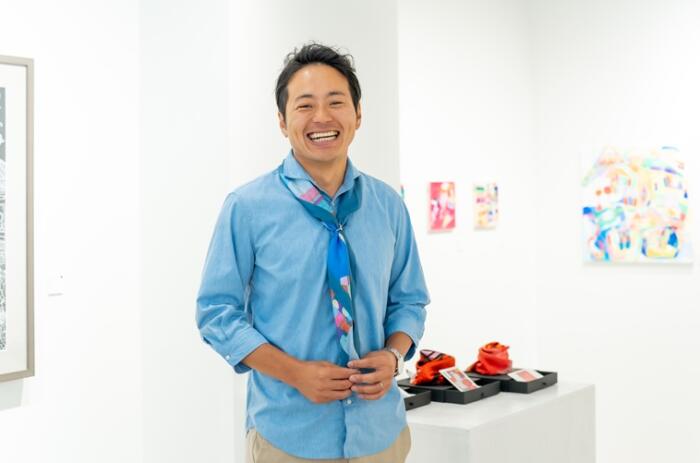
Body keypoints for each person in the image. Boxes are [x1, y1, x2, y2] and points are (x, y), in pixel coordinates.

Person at [196, 43, 429, 462]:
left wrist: (394, 356)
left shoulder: (388, 205)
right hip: (290, 436)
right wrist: (296, 373)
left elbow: (409, 300)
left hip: (381, 435)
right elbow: (216, 313)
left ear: (358, 114)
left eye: (336, 102)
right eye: (305, 105)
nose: (322, 117)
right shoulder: (247, 208)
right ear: (282, 121)